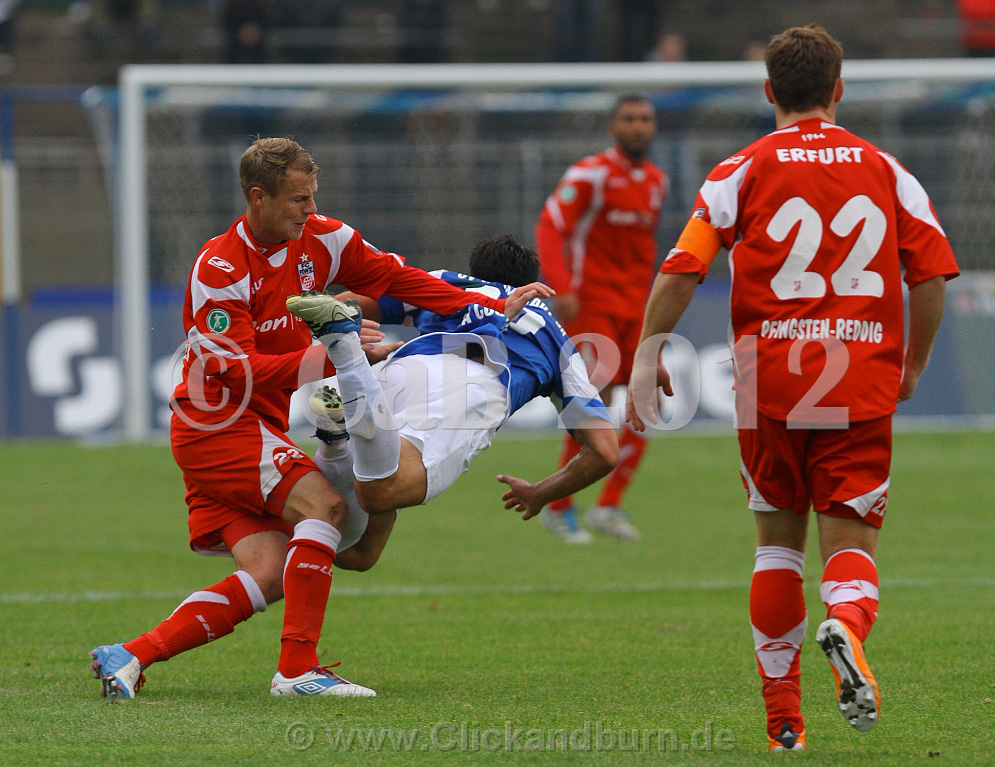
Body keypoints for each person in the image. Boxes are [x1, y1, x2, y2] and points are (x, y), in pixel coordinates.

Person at [88, 138, 551, 699]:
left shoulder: (324, 238)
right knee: (325, 508)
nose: (310, 210)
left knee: (270, 572)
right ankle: (297, 671)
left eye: (312, 197)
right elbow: (234, 371)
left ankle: (129, 656)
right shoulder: (220, 267)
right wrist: (335, 355)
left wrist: (489, 308)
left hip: (259, 426)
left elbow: (396, 278)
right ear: (258, 198)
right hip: (217, 424)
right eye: (298, 200)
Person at [626, 25, 959, 751]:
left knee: (776, 547)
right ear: (838, 90)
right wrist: (912, 365)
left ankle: (785, 723)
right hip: (859, 377)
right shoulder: (887, 170)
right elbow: (932, 273)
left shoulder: (738, 170)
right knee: (852, 541)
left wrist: (649, 351)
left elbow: (683, 268)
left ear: (768, 90)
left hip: (768, 381)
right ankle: (847, 624)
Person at [285, 234, 620, 563]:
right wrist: (539, 494)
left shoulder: (445, 281)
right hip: (470, 389)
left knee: (360, 554)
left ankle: (339, 438)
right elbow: (604, 452)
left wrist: (335, 326)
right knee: (380, 493)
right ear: (530, 283)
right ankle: (342, 425)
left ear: (475, 270)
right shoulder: (555, 335)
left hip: (401, 372)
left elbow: (347, 305)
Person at [534, 94, 667, 543]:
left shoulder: (656, 181)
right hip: (593, 305)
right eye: (629, 119)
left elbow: (642, 250)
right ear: (613, 127)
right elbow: (550, 225)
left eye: (645, 119)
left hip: (636, 308)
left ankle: (608, 506)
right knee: (596, 403)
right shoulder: (589, 174)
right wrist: (561, 286)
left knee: (648, 401)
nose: (638, 126)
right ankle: (559, 507)